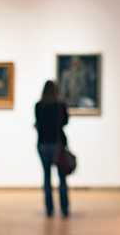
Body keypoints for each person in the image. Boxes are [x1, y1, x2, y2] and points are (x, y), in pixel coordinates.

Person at [34, 80, 70, 217]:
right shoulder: (60, 105)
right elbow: (65, 122)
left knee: (47, 177)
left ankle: (49, 209)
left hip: (43, 144)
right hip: (57, 144)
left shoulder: (39, 106)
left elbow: (38, 123)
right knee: (61, 178)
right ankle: (64, 208)